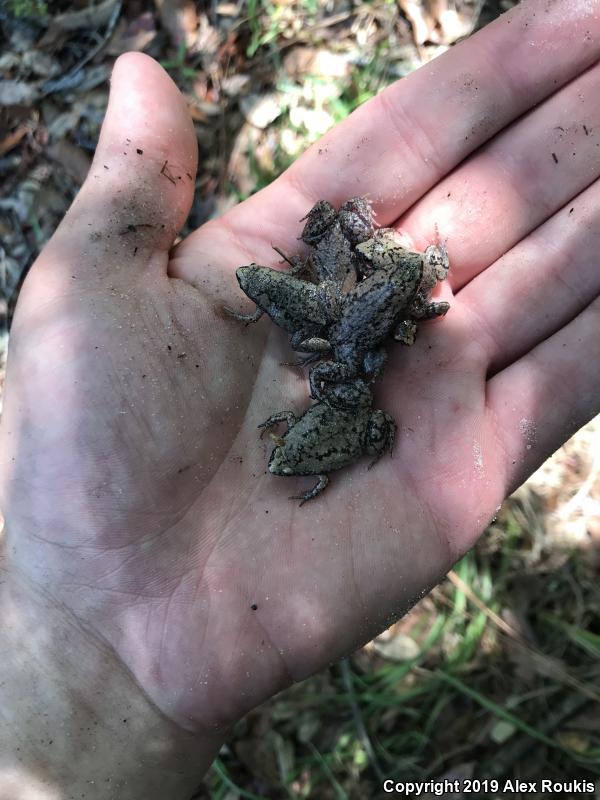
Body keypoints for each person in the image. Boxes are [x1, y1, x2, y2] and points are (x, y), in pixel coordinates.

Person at [1, 0, 598, 795]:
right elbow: (316, 359)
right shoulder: (310, 377)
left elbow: (330, 358)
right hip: (351, 329)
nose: (282, 458)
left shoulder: (326, 359)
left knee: (374, 321)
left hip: (357, 323)